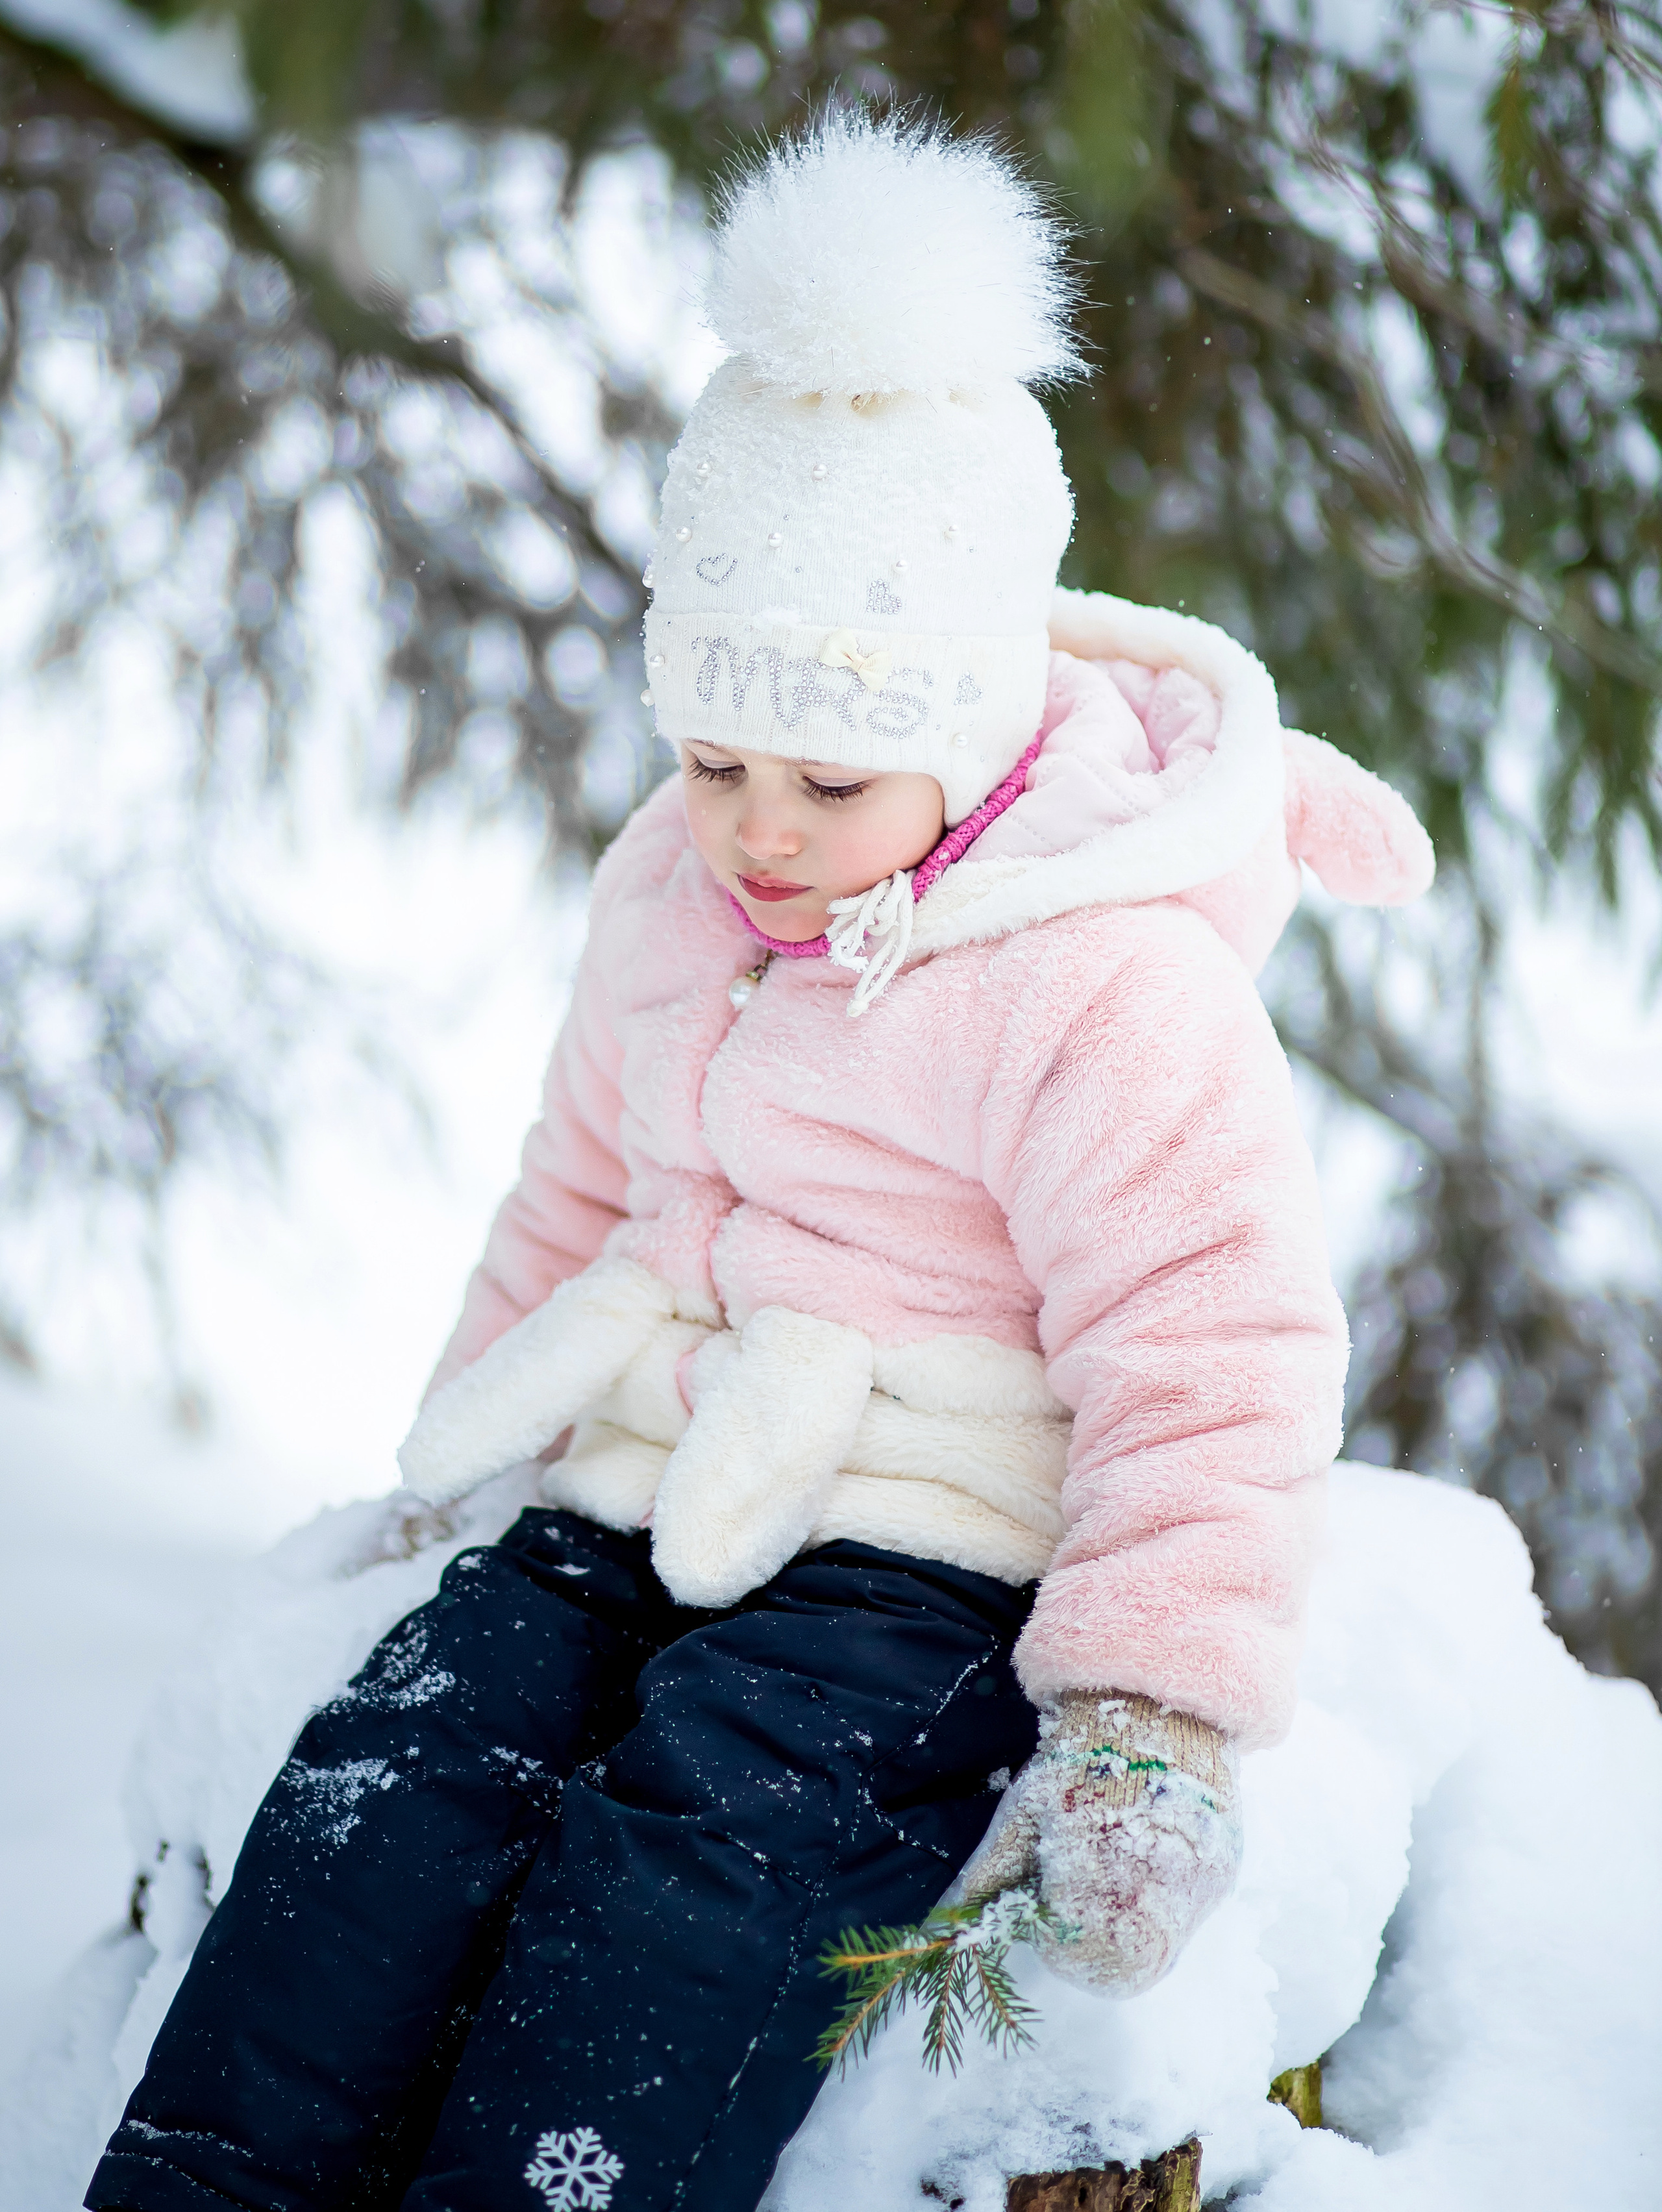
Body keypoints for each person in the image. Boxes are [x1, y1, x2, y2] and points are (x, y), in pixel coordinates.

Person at [86, 111, 1433, 2212]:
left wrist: (1153, 1711)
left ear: (978, 727)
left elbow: (1219, 1340)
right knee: (403, 1764)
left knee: (697, 1853)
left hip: (924, 1550)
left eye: (830, 774)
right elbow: (573, 1186)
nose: (762, 830)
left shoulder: (1100, 985)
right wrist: (453, 1471)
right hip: (646, 1467)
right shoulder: (672, 879)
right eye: (716, 758)